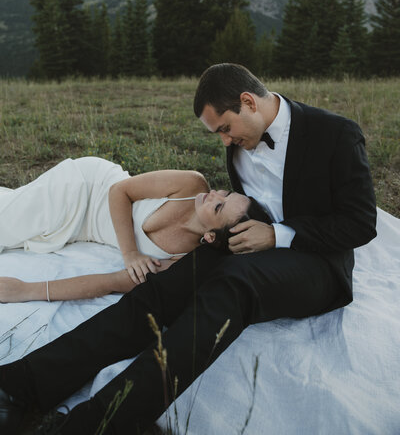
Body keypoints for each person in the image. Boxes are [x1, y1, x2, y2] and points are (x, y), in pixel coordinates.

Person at [0, 63, 377, 435]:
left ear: (249, 102)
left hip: (314, 263)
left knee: (233, 284)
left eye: (225, 129)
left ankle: (97, 423)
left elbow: (360, 223)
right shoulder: (240, 140)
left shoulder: (336, 133)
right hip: (246, 241)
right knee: (156, 293)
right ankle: (20, 386)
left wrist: (277, 235)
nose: (225, 142)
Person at [0, 156, 250, 302]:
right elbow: (119, 190)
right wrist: (130, 253)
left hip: (83, 231)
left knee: (14, 220)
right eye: (226, 193)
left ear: (210, 236)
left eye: (219, 207)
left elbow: (113, 282)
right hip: (87, 188)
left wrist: (27, 290)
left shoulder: (180, 261)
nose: (214, 195)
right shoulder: (191, 185)